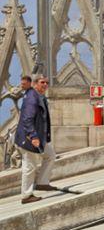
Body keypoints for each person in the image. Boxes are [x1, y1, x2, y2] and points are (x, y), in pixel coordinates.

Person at [14, 74, 56, 204]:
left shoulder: (38, 96)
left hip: (38, 137)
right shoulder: (32, 98)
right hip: (28, 138)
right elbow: (27, 119)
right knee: (29, 166)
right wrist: (33, 136)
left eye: (46, 83)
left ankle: (42, 182)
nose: (45, 85)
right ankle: (26, 196)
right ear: (35, 84)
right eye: (42, 82)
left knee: (50, 155)